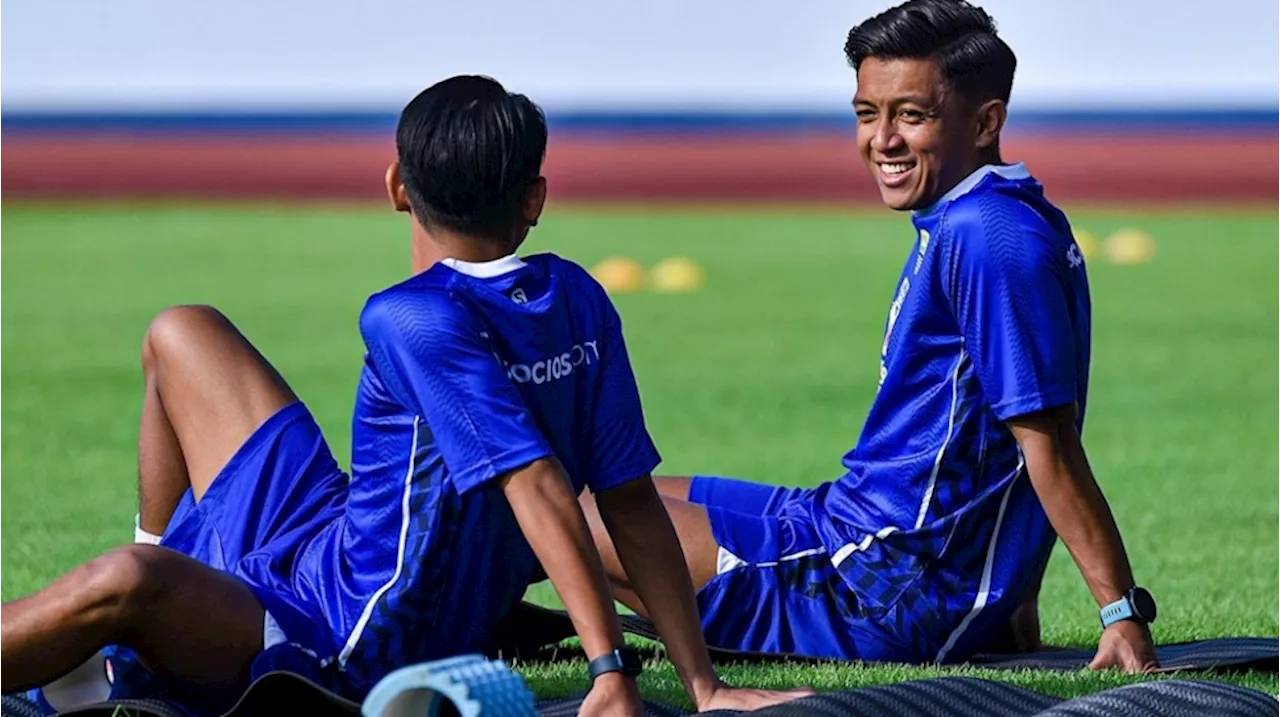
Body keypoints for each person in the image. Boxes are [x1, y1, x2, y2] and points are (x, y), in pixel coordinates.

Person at [0, 75, 810, 716]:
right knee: (183, 330)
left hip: (340, 635)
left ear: (395, 186)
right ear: (536, 197)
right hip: (330, 536)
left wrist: (610, 669)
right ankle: (153, 600)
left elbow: (537, 487)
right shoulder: (579, 294)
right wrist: (701, 684)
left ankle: (135, 622)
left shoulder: (410, 317)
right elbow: (627, 500)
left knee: (126, 580)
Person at [583, 0, 1160, 673]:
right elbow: (995, 440)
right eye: (867, 113)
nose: (882, 139)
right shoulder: (984, 216)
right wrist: (1011, 598)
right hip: (849, 524)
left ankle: (455, 650)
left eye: (911, 115)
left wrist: (1118, 611)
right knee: (610, 496)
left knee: (559, 519)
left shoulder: (988, 238)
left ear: (985, 122)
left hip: (878, 586)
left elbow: (1047, 441)